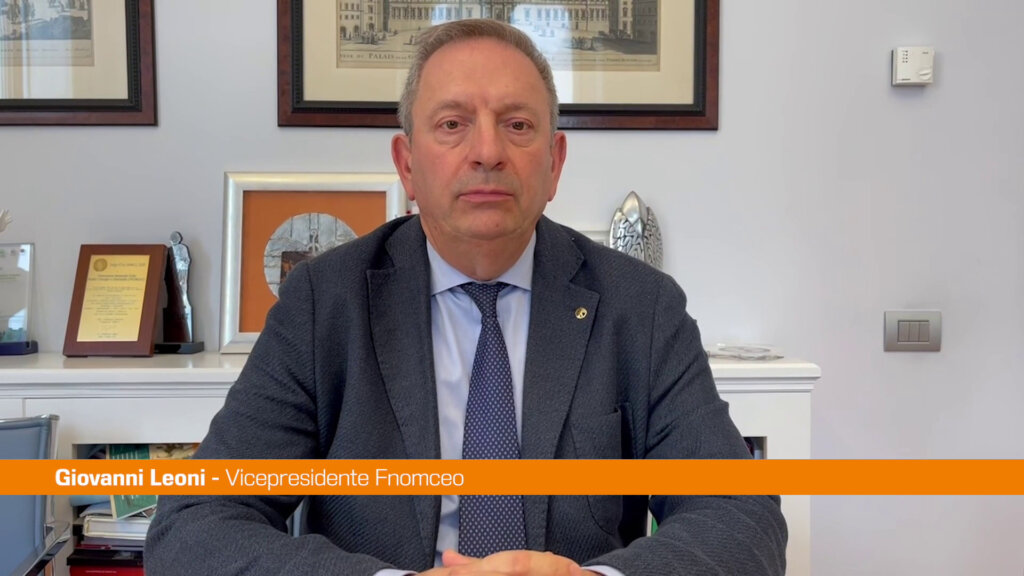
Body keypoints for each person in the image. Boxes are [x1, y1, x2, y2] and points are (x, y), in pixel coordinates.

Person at [145, 19, 786, 576]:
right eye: (453, 125)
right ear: (407, 164)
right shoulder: (323, 303)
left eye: (517, 125)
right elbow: (194, 525)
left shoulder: (640, 308)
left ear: (555, 162)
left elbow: (742, 518)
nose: (487, 152)